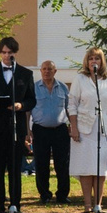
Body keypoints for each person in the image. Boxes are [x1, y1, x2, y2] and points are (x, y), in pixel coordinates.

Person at [0, 37, 35, 213]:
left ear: (14, 53)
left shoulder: (25, 74)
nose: (6, 55)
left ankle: (15, 204)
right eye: (3, 52)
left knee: (14, 167)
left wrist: (21, 106)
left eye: (10, 53)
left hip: (15, 127)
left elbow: (31, 100)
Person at [68, 49, 107, 213]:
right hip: (84, 129)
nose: (93, 61)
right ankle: (88, 206)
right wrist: (73, 126)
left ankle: (98, 205)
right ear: (86, 61)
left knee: (100, 169)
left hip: (105, 129)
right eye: (91, 58)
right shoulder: (80, 79)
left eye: (96, 58)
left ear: (101, 61)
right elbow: (72, 104)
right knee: (86, 167)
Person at [31, 57, 70, 205]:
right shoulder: (33, 88)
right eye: (44, 69)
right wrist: (28, 131)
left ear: (55, 71)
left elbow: (69, 108)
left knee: (62, 164)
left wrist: (72, 126)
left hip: (60, 130)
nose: (47, 72)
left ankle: (62, 195)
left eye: (50, 69)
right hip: (40, 130)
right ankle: (45, 195)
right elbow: (28, 110)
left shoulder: (63, 88)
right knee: (41, 164)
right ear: (40, 71)